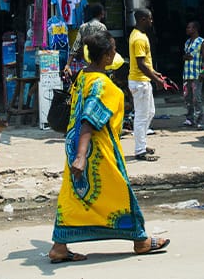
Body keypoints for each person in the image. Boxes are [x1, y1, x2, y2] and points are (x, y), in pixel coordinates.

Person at [48, 30, 169, 263]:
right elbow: (89, 121)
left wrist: (77, 153)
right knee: (121, 193)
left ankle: (59, 246)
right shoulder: (103, 86)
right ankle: (140, 240)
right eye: (112, 49)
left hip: (73, 145)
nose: (115, 53)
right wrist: (82, 157)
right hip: (97, 151)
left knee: (73, 195)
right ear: (105, 56)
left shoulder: (83, 76)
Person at [128, 9, 162, 162]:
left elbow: (145, 63)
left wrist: (155, 74)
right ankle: (140, 150)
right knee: (142, 116)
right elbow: (141, 64)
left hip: (142, 80)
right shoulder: (139, 39)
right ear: (142, 19)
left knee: (150, 113)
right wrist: (157, 79)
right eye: (149, 18)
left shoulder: (138, 35)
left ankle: (142, 143)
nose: (151, 21)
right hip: (140, 82)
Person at [64, 3, 107, 80]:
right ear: (101, 13)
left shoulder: (83, 27)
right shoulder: (102, 27)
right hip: (99, 65)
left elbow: (75, 47)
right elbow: (106, 47)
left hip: (86, 65)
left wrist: (68, 65)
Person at [181, 21, 204, 129]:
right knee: (187, 97)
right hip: (187, 74)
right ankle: (189, 119)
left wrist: (203, 71)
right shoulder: (187, 42)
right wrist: (185, 57)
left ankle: (199, 120)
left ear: (195, 29)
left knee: (197, 97)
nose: (187, 29)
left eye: (189, 27)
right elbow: (185, 56)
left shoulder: (202, 42)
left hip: (196, 74)